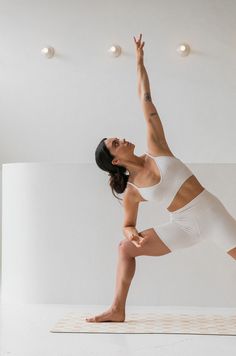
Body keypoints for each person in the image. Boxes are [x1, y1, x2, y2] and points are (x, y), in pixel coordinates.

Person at [86, 34, 236, 323]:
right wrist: (131, 234)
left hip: (211, 213)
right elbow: (128, 225)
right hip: (183, 226)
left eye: (118, 137)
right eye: (116, 143)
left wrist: (140, 62)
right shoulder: (131, 190)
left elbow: (146, 97)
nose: (122, 139)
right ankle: (117, 309)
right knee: (124, 249)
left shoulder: (157, 148)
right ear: (115, 161)